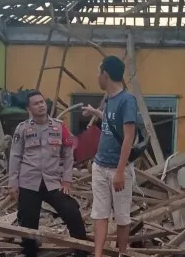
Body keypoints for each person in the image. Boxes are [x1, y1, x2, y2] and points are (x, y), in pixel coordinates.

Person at [8, 90, 88, 257]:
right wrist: (13, 184)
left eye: (42, 102)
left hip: (53, 181)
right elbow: (15, 156)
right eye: (36, 103)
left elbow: (67, 154)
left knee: (71, 211)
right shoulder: (22, 129)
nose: (40, 105)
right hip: (28, 182)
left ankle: (81, 250)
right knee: (27, 222)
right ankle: (30, 251)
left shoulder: (59, 127)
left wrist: (67, 180)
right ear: (29, 108)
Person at [82, 55, 138, 257]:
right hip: (100, 165)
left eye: (98, 73)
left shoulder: (127, 101)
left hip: (117, 168)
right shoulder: (109, 99)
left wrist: (121, 172)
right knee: (100, 215)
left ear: (105, 75)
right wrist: (95, 112)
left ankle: (121, 253)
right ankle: (97, 254)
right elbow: (109, 120)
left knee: (122, 217)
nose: (97, 76)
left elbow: (128, 137)